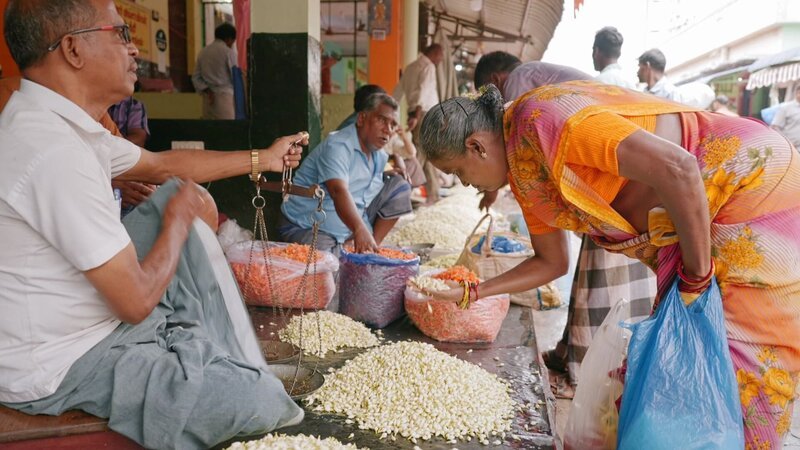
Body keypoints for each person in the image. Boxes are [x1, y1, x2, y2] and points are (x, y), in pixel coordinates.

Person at [419, 81, 800, 447]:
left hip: (744, 183)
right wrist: (472, 292)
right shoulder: (523, 172)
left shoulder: (542, 118)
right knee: (680, 371)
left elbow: (680, 168)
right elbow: (552, 263)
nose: (464, 184)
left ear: (476, 147)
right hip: (699, 222)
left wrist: (696, 280)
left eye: (457, 172)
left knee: (734, 373)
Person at [0, 1, 310, 448]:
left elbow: (163, 164)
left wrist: (265, 158)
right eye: (121, 34)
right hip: (58, 362)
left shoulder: (62, 126)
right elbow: (135, 302)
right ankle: (191, 358)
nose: (134, 48)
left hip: (80, 317)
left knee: (185, 199)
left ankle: (190, 343)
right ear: (71, 49)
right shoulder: (53, 152)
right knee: (257, 398)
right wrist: (177, 222)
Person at [474, 55, 655, 396]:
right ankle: (568, 352)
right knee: (590, 271)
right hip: (609, 174)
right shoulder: (538, 77)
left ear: (497, 80)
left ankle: (585, 376)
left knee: (598, 278)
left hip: (612, 178)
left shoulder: (519, 87)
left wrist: (495, 185)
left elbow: (508, 140)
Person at [280, 93, 411, 254]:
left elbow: (364, 194)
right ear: (362, 119)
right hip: (307, 226)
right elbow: (338, 191)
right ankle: (358, 244)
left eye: (393, 125)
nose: (388, 130)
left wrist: (361, 230)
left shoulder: (378, 155)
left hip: (348, 228)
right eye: (382, 120)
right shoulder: (338, 146)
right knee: (329, 266)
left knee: (399, 186)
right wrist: (359, 228)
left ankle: (368, 247)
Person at [394, 43, 445, 203]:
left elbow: (398, 92)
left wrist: (396, 115)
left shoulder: (410, 67)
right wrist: (416, 116)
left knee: (426, 154)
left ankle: (433, 194)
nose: (441, 60)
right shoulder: (428, 67)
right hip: (423, 114)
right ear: (435, 53)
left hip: (416, 112)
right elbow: (423, 92)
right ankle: (405, 190)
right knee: (420, 154)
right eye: (441, 56)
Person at [637, 48, 714, 108]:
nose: (638, 72)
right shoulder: (645, 92)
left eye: (640, 67)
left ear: (647, 66)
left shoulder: (671, 94)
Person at [192, 22, 237, 120]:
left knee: (210, 131)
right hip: (225, 99)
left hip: (208, 98)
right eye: (232, 42)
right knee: (227, 131)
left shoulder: (203, 52)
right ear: (229, 39)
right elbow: (235, 76)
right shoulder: (228, 52)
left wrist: (207, 89)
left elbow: (195, 77)